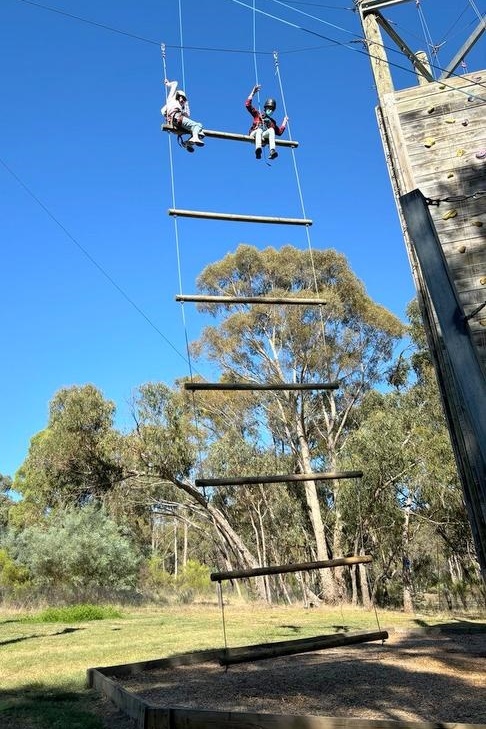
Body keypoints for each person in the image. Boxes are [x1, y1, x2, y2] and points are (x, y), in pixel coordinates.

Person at [245, 84, 288, 160]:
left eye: (272, 109)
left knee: (271, 130)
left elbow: (279, 132)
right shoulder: (258, 115)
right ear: (265, 108)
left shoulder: (272, 122)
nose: (270, 110)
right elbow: (248, 105)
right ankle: (258, 150)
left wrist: (284, 121)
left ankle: (272, 151)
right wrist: (253, 92)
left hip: (263, 136)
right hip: (254, 134)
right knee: (259, 130)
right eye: (269, 108)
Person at [162, 79, 205, 152]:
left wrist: (186, 105)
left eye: (184, 99)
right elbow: (175, 83)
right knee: (198, 125)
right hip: (176, 119)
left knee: (199, 132)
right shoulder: (171, 100)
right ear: (178, 96)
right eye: (182, 98)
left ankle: (189, 143)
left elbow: (187, 115)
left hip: (177, 125)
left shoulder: (181, 108)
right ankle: (194, 138)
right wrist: (168, 84)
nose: (183, 100)